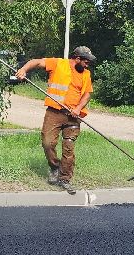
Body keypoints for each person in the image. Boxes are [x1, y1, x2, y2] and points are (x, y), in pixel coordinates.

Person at [14, 46, 95, 194]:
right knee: (47, 143)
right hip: (55, 112)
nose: (87, 64)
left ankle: (65, 179)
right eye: (86, 61)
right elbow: (37, 62)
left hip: (73, 117)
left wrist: (78, 108)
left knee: (68, 147)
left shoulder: (86, 74)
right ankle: (54, 167)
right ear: (77, 58)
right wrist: (24, 69)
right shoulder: (58, 64)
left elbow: (87, 94)